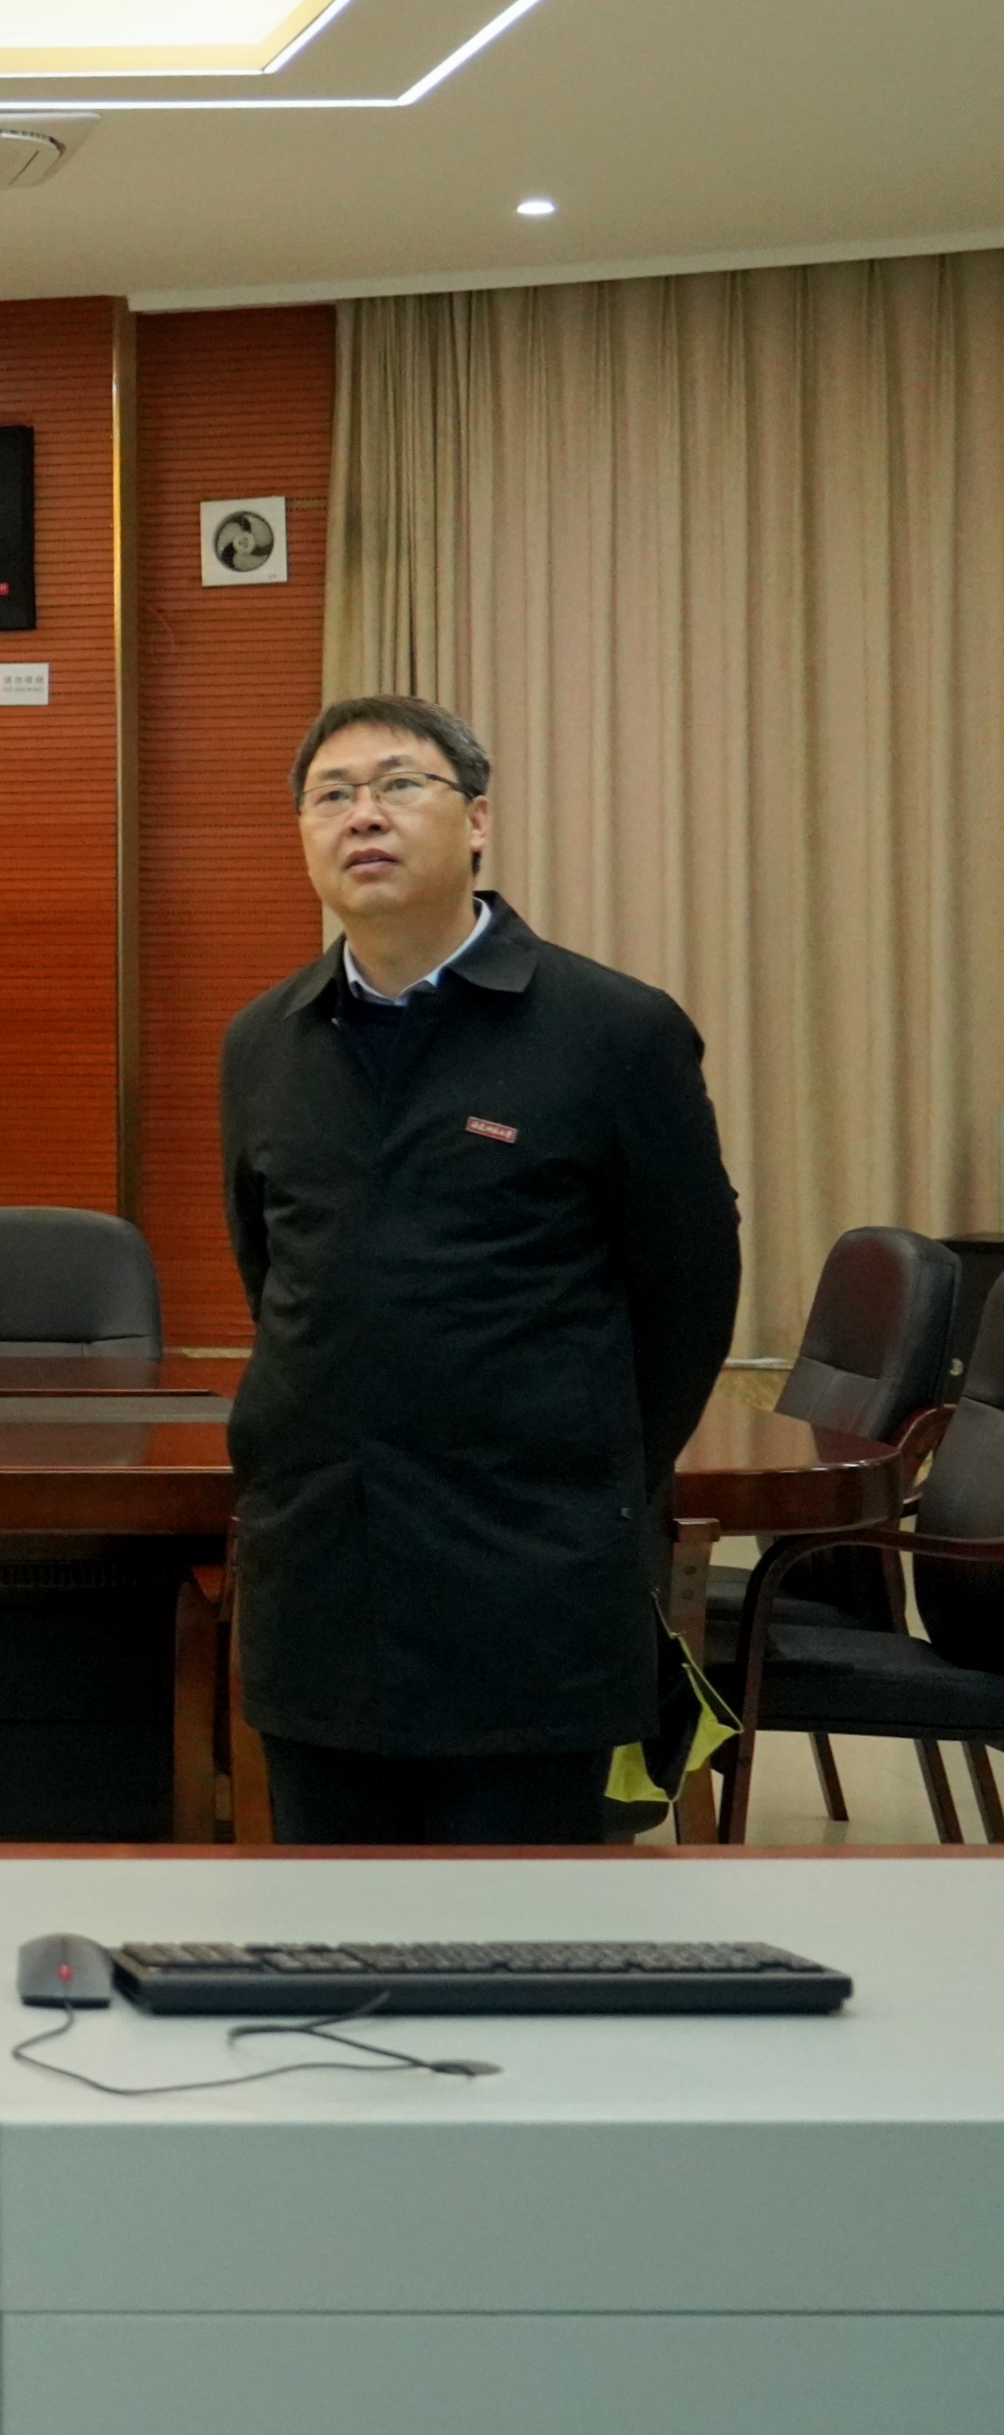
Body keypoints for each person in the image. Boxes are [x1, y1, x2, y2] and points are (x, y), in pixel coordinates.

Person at [219, 694, 739, 1845]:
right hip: (321, 1578)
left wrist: (581, 1467)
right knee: (329, 1936)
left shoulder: (613, 1032)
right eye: (332, 795)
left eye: (400, 785)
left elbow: (689, 1295)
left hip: (531, 1586)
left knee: (519, 1935)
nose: (364, 815)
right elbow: (278, 1275)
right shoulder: (262, 1044)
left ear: (479, 820)